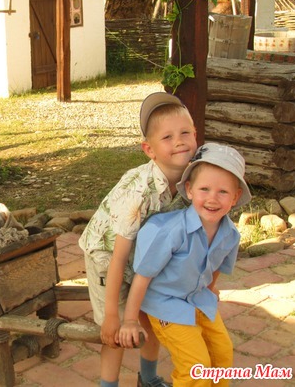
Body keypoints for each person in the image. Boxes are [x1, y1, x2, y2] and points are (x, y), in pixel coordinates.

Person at [79, 92, 198, 387]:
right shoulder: (139, 191)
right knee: (117, 332)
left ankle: (148, 379)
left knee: (151, 319)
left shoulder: (193, 180)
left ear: (196, 135)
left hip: (145, 259)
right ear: (149, 149)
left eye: (185, 133)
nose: (179, 141)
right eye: (167, 137)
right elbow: (118, 257)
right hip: (107, 255)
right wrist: (111, 315)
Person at [118, 143, 252, 387]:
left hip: (198, 299)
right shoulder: (170, 231)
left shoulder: (230, 234)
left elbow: (217, 265)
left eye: (223, 192)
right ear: (189, 190)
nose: (212, 198)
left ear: (235, 197)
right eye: (204, 189)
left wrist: (209, 289)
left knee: (222, 353)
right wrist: (129, 320)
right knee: (196, 366)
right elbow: (143, 277)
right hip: (166, 303)